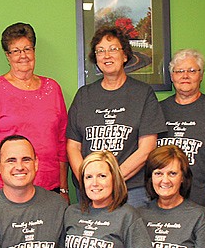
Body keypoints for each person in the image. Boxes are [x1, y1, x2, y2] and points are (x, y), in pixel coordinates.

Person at [67, 24, 166, 208]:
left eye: (113, 49)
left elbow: (147, 148)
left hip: (131, 192)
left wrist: (111, 180)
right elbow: (73, 147)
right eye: (100, 51)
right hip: (91, 193)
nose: (107, 55)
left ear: (125, 55)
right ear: (95, 58)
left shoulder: (143, 94)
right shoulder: (83, 96)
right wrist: (89, 180)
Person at [0, 22, 69, 201]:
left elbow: (62, 143)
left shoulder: (53, 88)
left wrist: (64, 189)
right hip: (6, 189)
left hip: (49, 188)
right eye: (15, 51)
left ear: (34, 51)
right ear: (7, 56)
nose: (23, 56)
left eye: (27, 49)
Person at [157, 49, 205, 213]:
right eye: (179, 71)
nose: (185, 76)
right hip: (162, 206)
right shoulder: (158, 110)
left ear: (201, 76)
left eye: (192, 71)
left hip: (202, 204)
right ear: (172, 77)